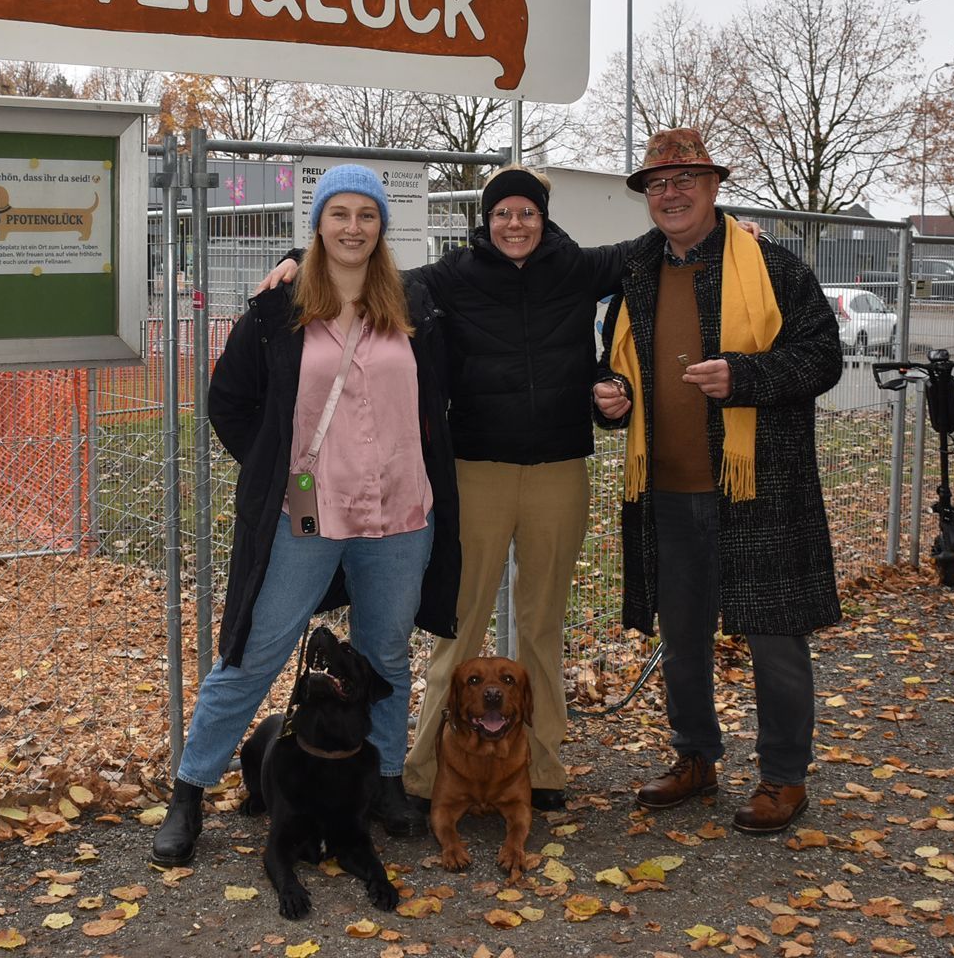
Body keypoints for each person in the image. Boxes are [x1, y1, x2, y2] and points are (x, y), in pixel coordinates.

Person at [260, 167, 765, 817]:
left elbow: (661, 244)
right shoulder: (454, 276)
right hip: (477, 472)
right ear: (486, 220)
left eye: (526, 212)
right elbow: (375, 275)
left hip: (558, 472)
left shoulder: (576, 268)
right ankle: (423, 771)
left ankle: (544, 766)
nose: (514, 224)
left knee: (541, 627)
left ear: (543, 218)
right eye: (502, 214)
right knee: (458, 627)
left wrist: (731, 236)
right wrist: (301, 258)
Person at [150, 163, 460, 866]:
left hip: (401, 513)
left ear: (383, 227)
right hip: (308, 514)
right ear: (317, 224)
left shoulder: (416, 307)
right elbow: (227, 402)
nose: (353, 228)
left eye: (367, 215)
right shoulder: (277, 311)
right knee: (255, 653)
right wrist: (271, 471)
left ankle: (381, 782)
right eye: (339, 214)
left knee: (383, 654)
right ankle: (190, 790)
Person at [591, 127, 842, 834]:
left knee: (775, 637)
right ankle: (695, 757)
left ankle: (783, 778)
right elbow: (616, 367)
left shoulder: (772, 266)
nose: (670, 195)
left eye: (684, 182)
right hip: (665, 488)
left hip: (758, 487)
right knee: (683, 635)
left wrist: (746, 376)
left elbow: (824, 359)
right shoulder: (636, 271)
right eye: (658, 185)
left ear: (713, 187)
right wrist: (608, 397)